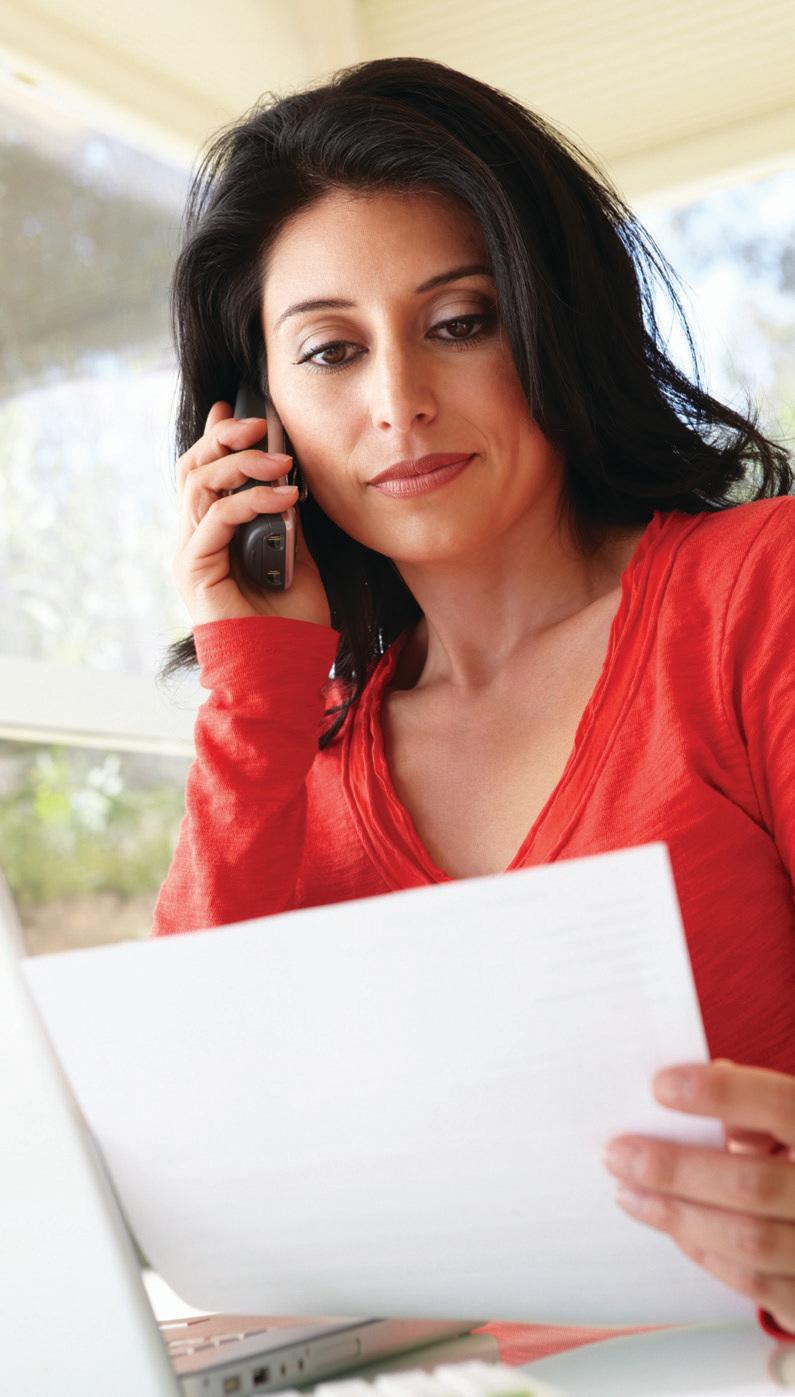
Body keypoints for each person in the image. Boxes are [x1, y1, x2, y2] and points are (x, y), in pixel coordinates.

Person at [153, 57, 795, 1353]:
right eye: (331, 351)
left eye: (460, 320)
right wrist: (252, 692)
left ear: (555, 321)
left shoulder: (756, 594)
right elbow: (204, 1162)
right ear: (254, 422)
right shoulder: (305, 758)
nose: (399, 400)